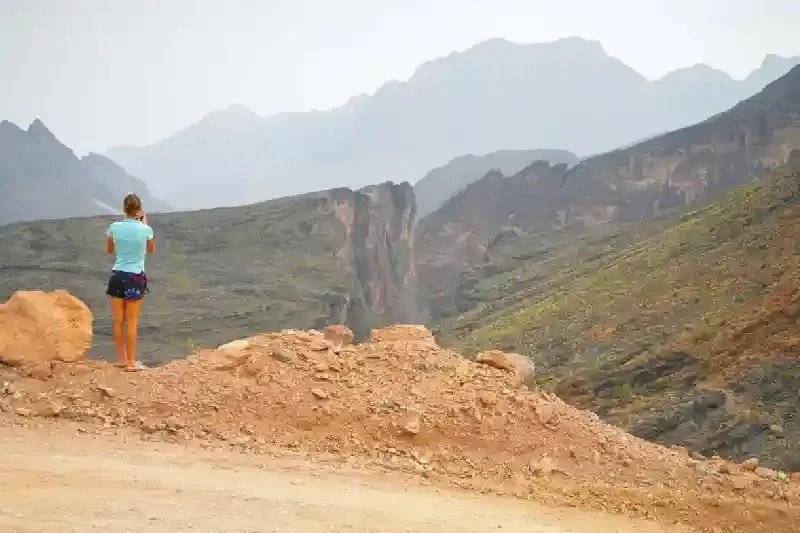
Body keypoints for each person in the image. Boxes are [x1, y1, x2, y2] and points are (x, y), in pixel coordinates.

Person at [105, 193, 155, 371]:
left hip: (117, 276)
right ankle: (131, 363)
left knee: (118, 320)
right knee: (132, 321)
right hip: (135, 277)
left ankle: (120, 358)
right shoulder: (145, 229)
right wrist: (144, 225)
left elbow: (110, 251)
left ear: (124, 209)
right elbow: (151, 250)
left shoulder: (114, 227)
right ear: (139, 210)